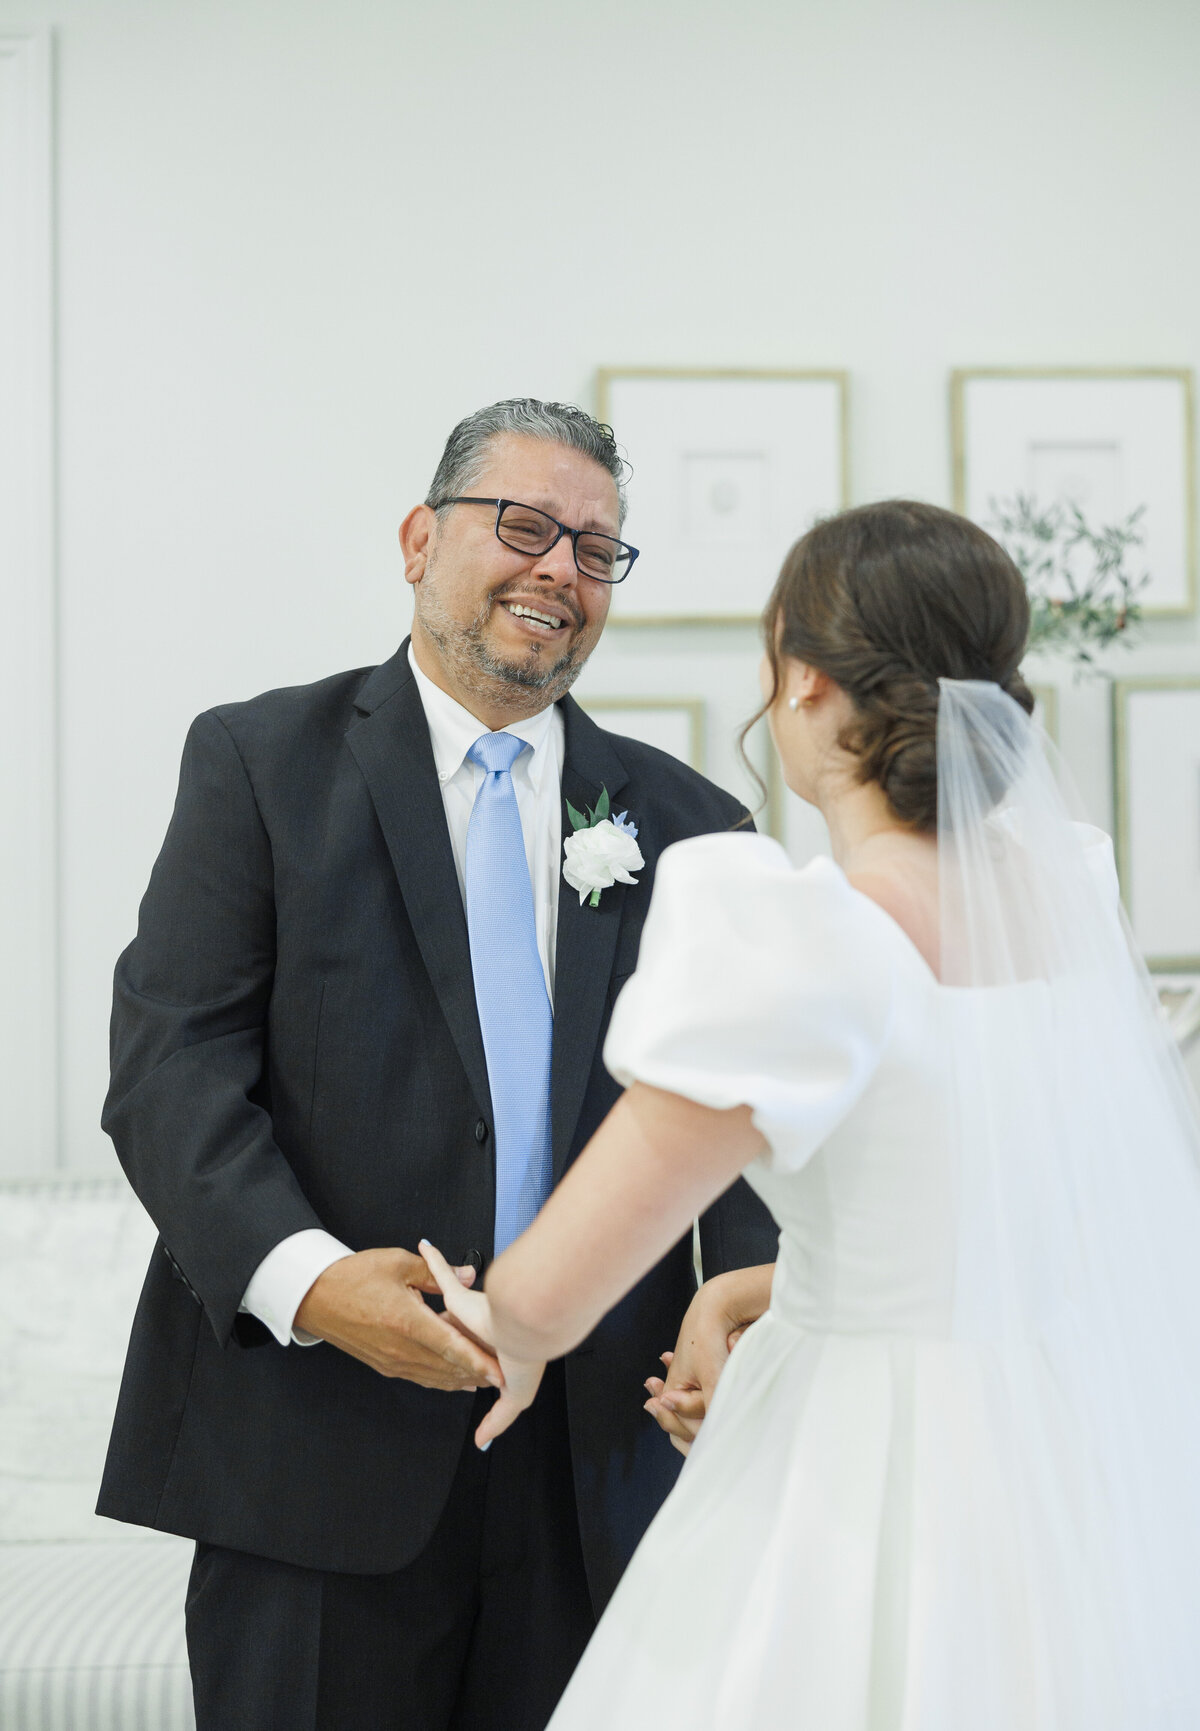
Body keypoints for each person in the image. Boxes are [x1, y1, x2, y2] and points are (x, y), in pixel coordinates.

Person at [424, 498, 1200, 1729]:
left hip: (867, 1464)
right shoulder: (1067, 897)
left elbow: (552, 1292)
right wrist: (754, 1288)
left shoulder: (801, 932)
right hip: (1057, 1466)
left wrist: (491, 1315)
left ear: (808, 683)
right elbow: (1003, 1227)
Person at [97, 398, 776, 1731]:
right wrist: (313, 1281)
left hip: (603, 1463)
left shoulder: (694, 823)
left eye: (596, 548)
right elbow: (171, 1066)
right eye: (524, 526)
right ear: (419, 538)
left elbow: (736, 1111)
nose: (560, 570)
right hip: (313, 1441)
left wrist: (738, 1306)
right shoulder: (258, 760)